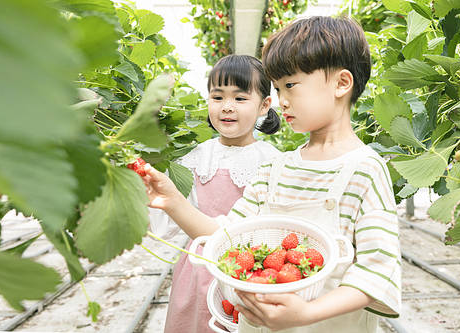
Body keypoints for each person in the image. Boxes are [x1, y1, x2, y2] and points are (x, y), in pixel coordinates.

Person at [144, 16, 401, 333]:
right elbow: (227, 238)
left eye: (290, 85)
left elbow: (378, 270)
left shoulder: (365, 170)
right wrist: (172, 201)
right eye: (278, 88)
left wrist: (307, 313)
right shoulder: (274, 169)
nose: (282, 100)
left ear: (341, 83)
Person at [150, 54, 281, 333]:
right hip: (198, 267)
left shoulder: (271, 161)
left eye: (240, 98)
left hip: (246, 271)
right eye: (218, 97)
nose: (227, 107)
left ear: (264, 106)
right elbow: (171, 217)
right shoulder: (195, 157)